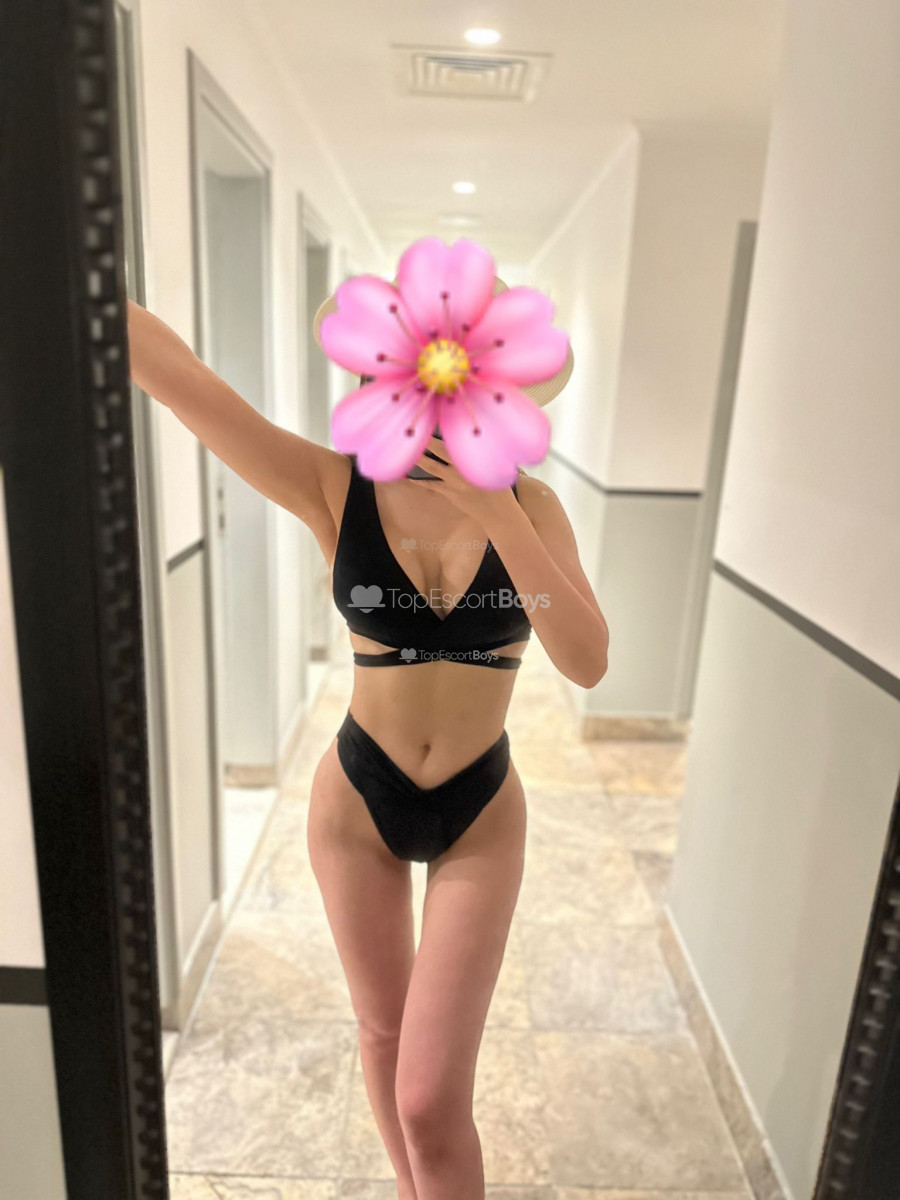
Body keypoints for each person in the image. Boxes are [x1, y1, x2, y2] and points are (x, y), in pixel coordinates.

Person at [126, 287, 609, 1200]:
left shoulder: (535, 509)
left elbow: (585, 661)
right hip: (356, 800)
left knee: (429, 1097)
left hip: (481, 811)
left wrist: (500, 515)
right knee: (383, 1035)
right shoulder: (335, 486)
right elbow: (186, 385)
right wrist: (71, 263)